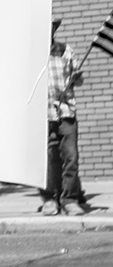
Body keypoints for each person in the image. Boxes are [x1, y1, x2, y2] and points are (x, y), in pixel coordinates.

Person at [42, 18, 91, 215]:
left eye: (51, 27)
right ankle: (50, 199)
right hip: (43, 114)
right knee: (48, 158)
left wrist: (77, 77)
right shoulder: (32, 55)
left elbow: (77, 81)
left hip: (65, 111)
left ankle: (69, 199)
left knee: (70, 156)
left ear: (54, 30)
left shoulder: (65, 51)